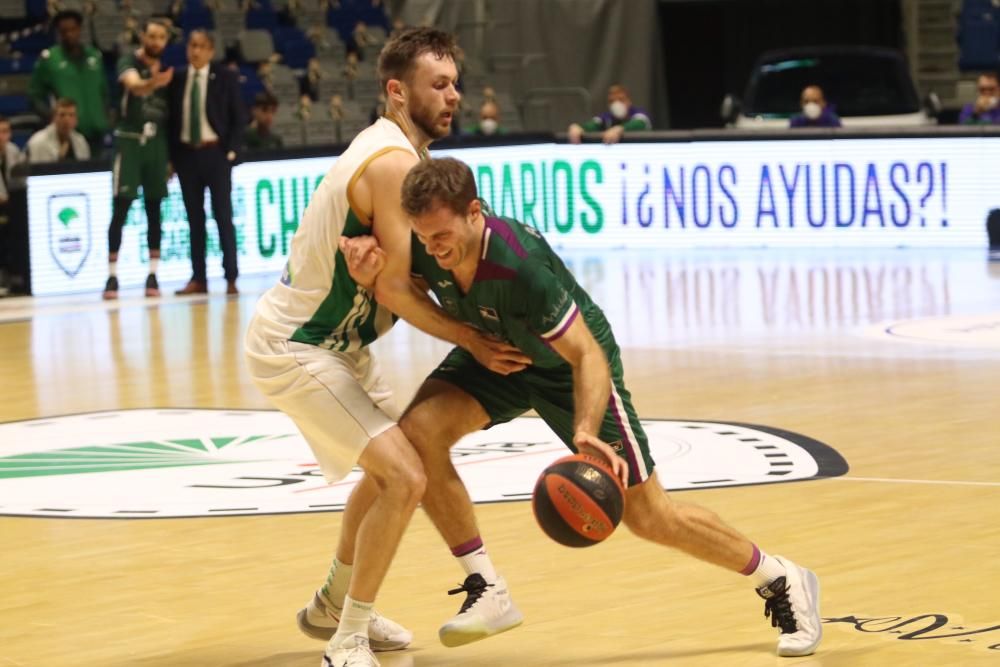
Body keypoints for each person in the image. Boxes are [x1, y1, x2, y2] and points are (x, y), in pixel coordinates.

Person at [340, 157, 824, 658]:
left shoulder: (519, 267)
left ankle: (779, 576)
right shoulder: (424, 242)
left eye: (442, 235)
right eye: (423, 236)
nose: (433, 248)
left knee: (650, 518)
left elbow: (586, 354)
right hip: (494, 350)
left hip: (567, 369)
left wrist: (586, 431)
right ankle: (487, 586)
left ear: (475, 213)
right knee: (418, 434)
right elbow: (402, 291)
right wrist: (449, 325)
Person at [243, 28, 526, 667]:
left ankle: (330, 607)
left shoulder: (401, 157)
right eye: (439, 84)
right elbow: (398, 287)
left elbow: (407, 274)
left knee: (382, 477)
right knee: (404, 474)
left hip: (340, 346)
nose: (453, 95)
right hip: (300, 344)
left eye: (456, 82)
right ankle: (347, 638)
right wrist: (473, 341)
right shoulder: (392, 161)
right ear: (397, 92)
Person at [168, 30, 244, 296]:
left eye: (201, 46)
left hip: (216, 154)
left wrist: (231, 151)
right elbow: (171, 120)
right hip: (187, 155)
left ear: (211, 51)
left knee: (223, 216)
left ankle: (231, 277)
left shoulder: (225, 77)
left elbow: (238, 116)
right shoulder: (177, 78)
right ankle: (198, 278)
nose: (196, 51)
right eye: (192, 45)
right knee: (194, 219)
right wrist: (171, 158)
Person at [102, 19, 174, 301]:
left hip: (156, 144)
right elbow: (134, 86)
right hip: (129, 142)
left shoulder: (168, 73)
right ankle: (111, 276)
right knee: (121, 207)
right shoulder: (127, 61)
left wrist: (170, 158)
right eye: (152, 36)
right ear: (142, 36)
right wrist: (152, 82)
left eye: (161, 37)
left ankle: (153, 274)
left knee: (154, 209)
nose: (156, 41)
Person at [28, 10, 109, 156]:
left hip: (97, 132)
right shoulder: (50, 59)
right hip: (69, 135)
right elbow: (34, 96)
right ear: (58, 33)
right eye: (64, 31)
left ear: (80, 30)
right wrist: (52, 118)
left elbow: (104, 91)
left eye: (73, 29)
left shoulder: (94, 56)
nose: (69, 34)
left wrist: (106, 116)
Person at [567, 84, 651, 144]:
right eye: (612, 101)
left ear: (629, 101)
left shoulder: (639, 113)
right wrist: (578, 127)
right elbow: (593, 124)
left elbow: (641, 122)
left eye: (621, 99)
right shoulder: (606, 117)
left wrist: (619, 129)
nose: (616, 103)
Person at [0, 115, 26, 296]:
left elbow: (20, 182)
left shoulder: (13, 151)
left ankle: (18, 275)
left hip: (12, 206)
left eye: (4, 132)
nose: (2, 136)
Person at [26, 98, 90, 163]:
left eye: (71, 115)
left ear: (76, 120)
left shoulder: (80, 141)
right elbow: (39, 170)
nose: (66, 120)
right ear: (53, 118)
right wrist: (60, 158)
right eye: (62, 115)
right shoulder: (39, 141)